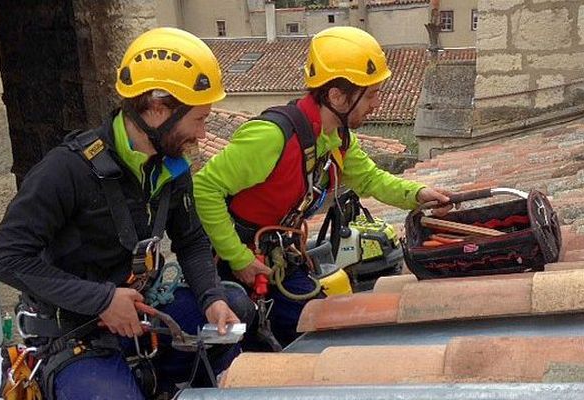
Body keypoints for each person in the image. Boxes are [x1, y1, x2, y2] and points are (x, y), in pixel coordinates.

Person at [0, 27, 254, 399]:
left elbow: (192, 241)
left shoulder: (170, 167)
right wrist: (100, 300)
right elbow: (6, 257)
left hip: (141, 315)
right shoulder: (66, 170)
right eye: (197, 120)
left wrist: (212, 299)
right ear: (158, 109)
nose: (202, 133)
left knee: (236, 305)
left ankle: (165, 386)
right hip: (77, 331)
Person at [193, 26, 453, 348]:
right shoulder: (271, 136)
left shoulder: (338, 139)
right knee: (254, 349)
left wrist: (418, 195)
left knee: (316, 327)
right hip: (233, 263)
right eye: (370, 95)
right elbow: (204, 188)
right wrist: (237, 257)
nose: (377, 104)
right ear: (336, 96)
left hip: (277, 257)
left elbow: (371, 179)